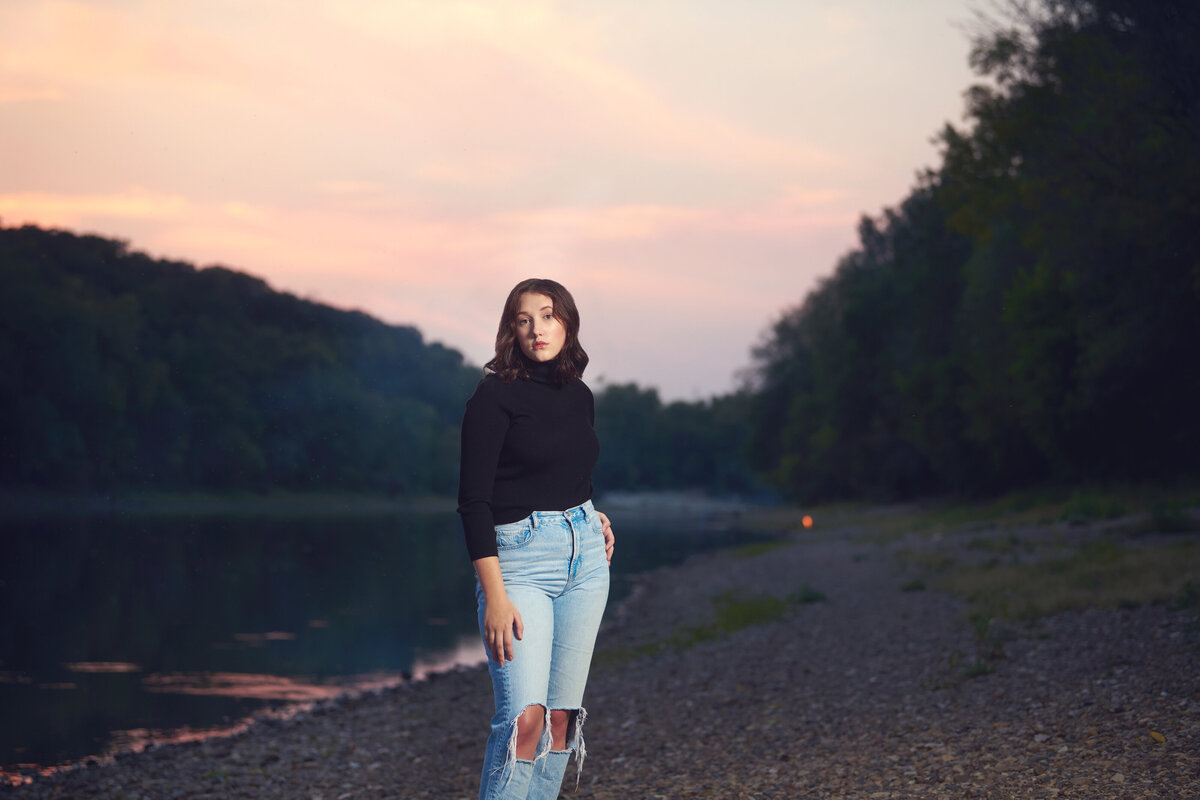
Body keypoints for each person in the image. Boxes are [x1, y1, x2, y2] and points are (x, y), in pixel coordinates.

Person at [457, 278, 616, 800]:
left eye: (547, 316)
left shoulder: (580, 396)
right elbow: (474, 502)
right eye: (523, 319)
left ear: (566, 323)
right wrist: (495, 597)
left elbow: (571, 475)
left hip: (585, 562)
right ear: (511, 329)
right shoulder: (494, 395)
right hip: (519, 566)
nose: (536, 329)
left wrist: (593, 519)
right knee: (524, 720)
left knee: (561, 720)